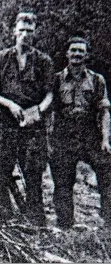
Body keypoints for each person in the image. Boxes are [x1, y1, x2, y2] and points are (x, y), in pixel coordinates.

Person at [0, 12, 54, 225]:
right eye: (21, 30)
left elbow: (50, 94)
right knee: (1, 170)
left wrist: (37, 112)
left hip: (32, 125)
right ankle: (1, 218)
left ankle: (35, 220)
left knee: (32, 172)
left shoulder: (43, 61)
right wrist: (9, 104)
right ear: (14, 31)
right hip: (6, 122)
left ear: (35, 33)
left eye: (29, 31)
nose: (25, 35)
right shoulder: (1, 58)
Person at [50, 34, 111, 228]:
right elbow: (49, 111)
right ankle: (65, 224)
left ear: (86, 55)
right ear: (67, 54)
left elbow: (104, 112)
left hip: (89, 132)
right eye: (73, 50)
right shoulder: (57, 79)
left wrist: (105, 139)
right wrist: (49, 138)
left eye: (81, 51)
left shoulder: (97, 80)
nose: (77, 54)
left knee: (107, 174)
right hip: (64, 133)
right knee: (62, 181)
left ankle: (109, 221)